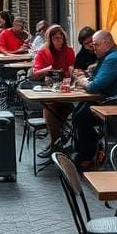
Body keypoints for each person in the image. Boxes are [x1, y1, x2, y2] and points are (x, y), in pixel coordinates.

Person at [72, 30, 117, 163]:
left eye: (96, 45)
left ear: (107, 43)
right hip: (111, 100)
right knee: (79, 111)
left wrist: (82, 80)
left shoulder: (113, 59)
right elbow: (96, 79)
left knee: (81, 117)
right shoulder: (112, 56)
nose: (94, 48)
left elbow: (94, 86)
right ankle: (87, 150)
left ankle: (87, 155)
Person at [31, 24, 78, 156]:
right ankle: (56, 142)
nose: (59, 41)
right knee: (51, 107)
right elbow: (35, 73)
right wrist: (48, 69)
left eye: (61, 38)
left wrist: (72, 71)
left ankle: (56, 143)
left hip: (67, 90)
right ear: (50, 39)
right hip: (49, 89)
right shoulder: (43, 52)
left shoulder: (68, 51)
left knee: (56, 109)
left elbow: (71, 68)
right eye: (56, 38)